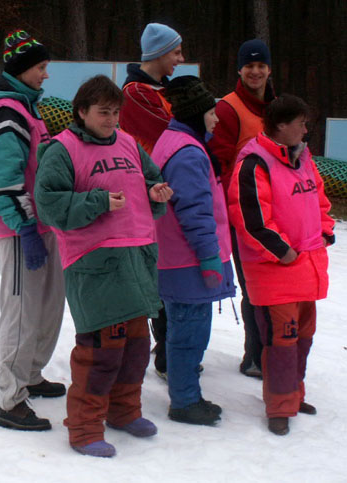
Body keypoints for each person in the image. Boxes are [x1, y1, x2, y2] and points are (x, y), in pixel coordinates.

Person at [35, 75, 173, 457]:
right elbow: (48, 205)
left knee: (136, 346)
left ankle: (124, 411)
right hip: (94, 262)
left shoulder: (128, 142)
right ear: (82, 112)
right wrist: (95, 202)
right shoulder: (62, 150)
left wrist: (156, 192)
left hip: (137, 256)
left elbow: (151, 180)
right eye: (103, 112)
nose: (112, 119)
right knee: (101, 350)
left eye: (115, 112)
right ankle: (83, 428)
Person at [0, 29, 65, 431]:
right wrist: (24, 228)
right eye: (41, 67)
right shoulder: (6, 113)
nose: (46, 75)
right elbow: (2, 181)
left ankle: (30, 374)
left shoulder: (27, 107)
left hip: (41, 223)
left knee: (47, 306)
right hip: (19, 230)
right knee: (22, 310)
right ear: (23, 69)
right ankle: (11, 400)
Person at [227, 94, 334, 435]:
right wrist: (285, 252)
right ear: (281, 126)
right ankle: (279, 406)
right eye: (301, 123)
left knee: (303, 338)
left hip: (307, 266)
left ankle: (293, 394)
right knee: (281, 342)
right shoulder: (253, 162)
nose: (306, 130)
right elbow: (251, 220)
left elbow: (319, 200)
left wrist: (326, 232)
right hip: (276, 271)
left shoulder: (304, 158)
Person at [151, 76, 236, 426]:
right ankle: (185, 401)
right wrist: (210, 258)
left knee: (184, 329)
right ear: (196, 114)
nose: (216, 119)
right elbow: (196, 213)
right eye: (211, 113)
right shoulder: (187, 153)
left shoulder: (177, 141)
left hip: (177, 259)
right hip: (187, 262)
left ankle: (187, 394)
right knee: (189, 333)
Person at [119, 22, 184, 379]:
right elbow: (175, 129)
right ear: (159, 53)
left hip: (163, 188)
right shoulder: (136, 92)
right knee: (155, 270)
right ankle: (162, 352)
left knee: (165, 267)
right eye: (176, 52)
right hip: (147, 191)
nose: (180, 58)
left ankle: (166, 347)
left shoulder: (160, 89)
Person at [208, 39, 275, 378]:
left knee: (276, 285)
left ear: (269, 68)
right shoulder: (229, 108)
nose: (255, 71)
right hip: (243, 213)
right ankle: (255, 354)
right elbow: (219, 162)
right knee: (255, 286)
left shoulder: (276, 106)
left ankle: (274, 351)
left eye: (261, 65)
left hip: (277, 210)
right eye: (249, 66)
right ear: (239, 69)